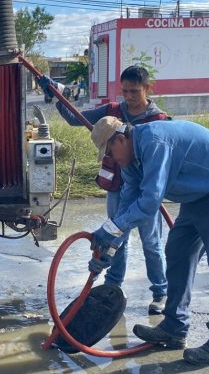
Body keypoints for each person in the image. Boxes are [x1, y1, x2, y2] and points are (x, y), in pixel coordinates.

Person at [87, 116, 209, 365]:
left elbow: (149, 203)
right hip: (196, 196)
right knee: (178, 253)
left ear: (121, 139)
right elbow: (128, 204)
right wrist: (110, 245)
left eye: (110, 152)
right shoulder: (131, 159)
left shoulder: (155, 142)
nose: (112, 159)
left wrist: (111, 231)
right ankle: (174, 328)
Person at [42, 65, 169, 314]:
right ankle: (112, 288)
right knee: (115, 238)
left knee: (151, 243)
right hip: (118, 188)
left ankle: (160, 293)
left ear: (147, 88)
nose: (129, 97)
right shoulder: (112, 111)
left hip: (146, 192)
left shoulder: (159, 120)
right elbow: (73, 117)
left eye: (134, 91)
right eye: (125, 91)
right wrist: (56, 94)